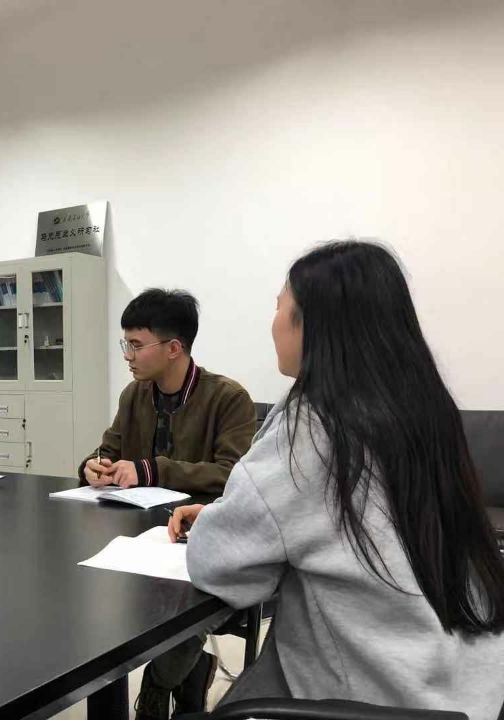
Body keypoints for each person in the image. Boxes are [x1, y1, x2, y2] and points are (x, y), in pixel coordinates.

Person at [170, 241, 504, 719]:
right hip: (472, 689)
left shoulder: (311, 429)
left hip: (372, 701)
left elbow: (219, 566)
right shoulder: (426, 411)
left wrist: (226, 523)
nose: (273, 322)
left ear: (312, 324)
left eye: (279, 306)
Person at [78, 288, 257, 719]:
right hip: (137, 536)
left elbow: (234, 475)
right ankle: (190, 676)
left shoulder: (228, 398)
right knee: (96, 597)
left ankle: (160, 685)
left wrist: (151, 469)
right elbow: (107, 449)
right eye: (125, 344)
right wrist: (92, 466)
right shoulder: (134, 394)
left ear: (173, 348)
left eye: (136, 345)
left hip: (198, 538)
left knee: (181, 604)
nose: (127, 355)